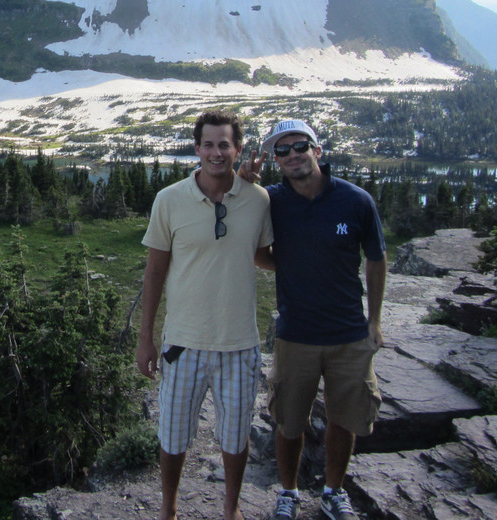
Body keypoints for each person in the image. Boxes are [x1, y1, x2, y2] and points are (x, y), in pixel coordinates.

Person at [242, 118, 386, 520]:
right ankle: (288, 492)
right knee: (289, 420)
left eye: (299, 146)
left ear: (317, 151)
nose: (291, 156)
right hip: (295, 333)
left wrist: (374, 322)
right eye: (281, 151)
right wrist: (242, 181)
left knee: (345, 419)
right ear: (276, 161)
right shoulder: (270, 199)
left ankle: (333, 490)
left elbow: (376, 259)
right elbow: (254, 249)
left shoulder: (356, 201)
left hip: (349, 334)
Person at [136, 110, 274, 520]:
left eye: (225, 144)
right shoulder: (170, 200)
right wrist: (146, 337)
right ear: (196, 148)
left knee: (235, 437)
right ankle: (169, 508)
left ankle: (230, 510)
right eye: (209, 145)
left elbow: (264, 255)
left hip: (240, 345)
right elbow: (155, 270)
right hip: (183, 342)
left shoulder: (258, 199)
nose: (217, 153)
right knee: (173, 435)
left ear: (238, 149)